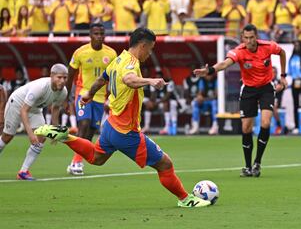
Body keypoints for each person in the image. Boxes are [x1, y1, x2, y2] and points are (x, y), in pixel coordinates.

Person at [35, 27, 210, 208]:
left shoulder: (118, 59)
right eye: (150, 49)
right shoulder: (131, 63)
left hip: (111, 125)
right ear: (142, 46)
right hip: (127, 132)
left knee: (97, 158)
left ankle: (65, 136)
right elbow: (129, 80)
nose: (150, 54)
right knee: (165, 164)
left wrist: (88, 95)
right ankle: (185, 199)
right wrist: (150, 81)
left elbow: (102, 79)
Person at [194, 24, 287, 177]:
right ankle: (247, 166)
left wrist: (283, 76)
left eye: (252, 37)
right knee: (246, 128)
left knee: (265, 122)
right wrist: (209, 70)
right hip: (248, 90)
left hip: (266, 88)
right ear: (243, 38)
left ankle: (257, 163)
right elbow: (224, 64)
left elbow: (282, 53)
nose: (249, 41)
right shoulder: (239, 51)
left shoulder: (268, 46)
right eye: (246, 38)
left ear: (256, 36)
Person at [65, 23, 117, 176]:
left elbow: (113, 78)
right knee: (84, 124)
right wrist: (66, 97)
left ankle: (76, 161)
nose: (99, 36)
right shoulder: (80, 52)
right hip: (83, 93)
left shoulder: (111, 53)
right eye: (96, 33)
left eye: (101, 33)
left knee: (91, 131)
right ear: (90, 35)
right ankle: (76, 163)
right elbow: (70, 75)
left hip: (100, 98)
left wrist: (111, 98)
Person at [0, 64, 68, 180]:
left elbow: (55, 109)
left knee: (41, 137)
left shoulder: (63, 92)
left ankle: (23, 172)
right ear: (51, 76)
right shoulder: (40, 87)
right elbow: (24, 110)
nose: (62, 81)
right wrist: (30, 134)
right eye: (59, 77)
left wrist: (55, 131)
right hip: (17, 104)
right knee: (7, 137)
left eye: (65, 78)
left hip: (35, 109)